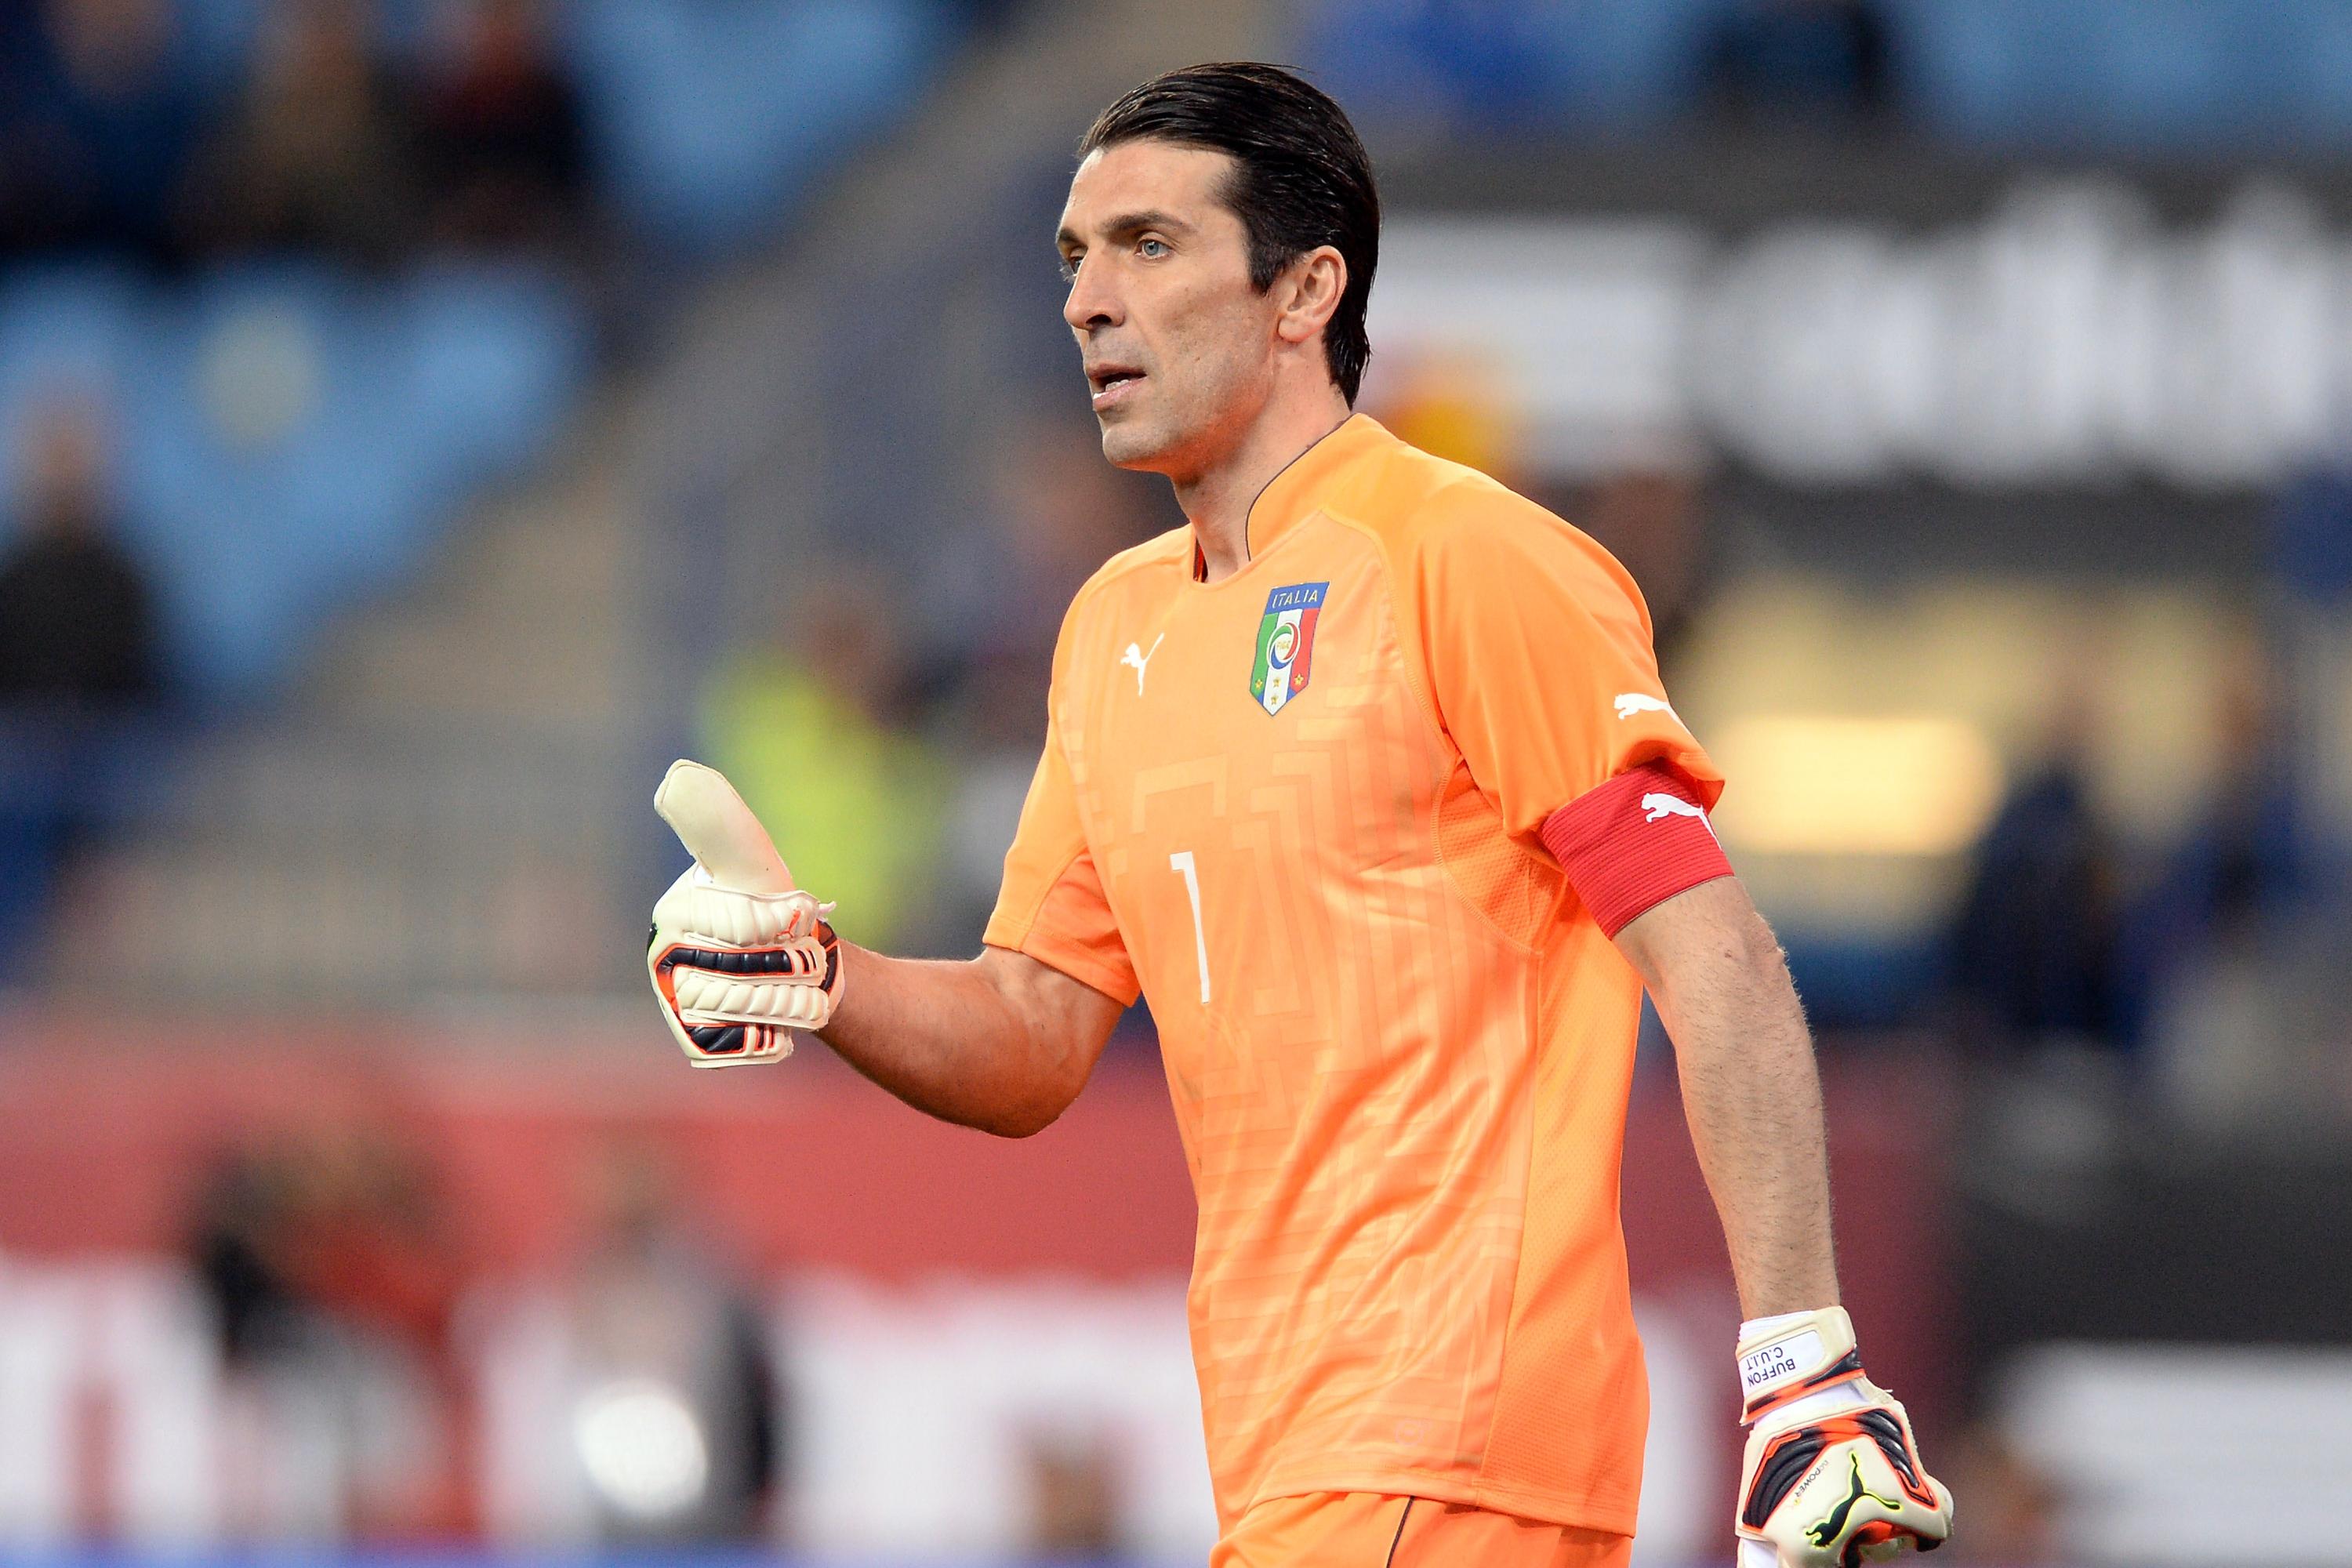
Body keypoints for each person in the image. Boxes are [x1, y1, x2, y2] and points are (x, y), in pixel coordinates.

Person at [644, 64, 1952, 1568]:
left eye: (1148, 245)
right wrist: (825, 978)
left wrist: (1802, 1366)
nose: (1086, 301)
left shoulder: (1472, 560)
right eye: (1074, 257)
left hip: (1459, 1446)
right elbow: (1029, 1034)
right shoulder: (1111, 629)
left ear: (1304, 291)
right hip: (1289, 1467)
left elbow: (1716, 958)